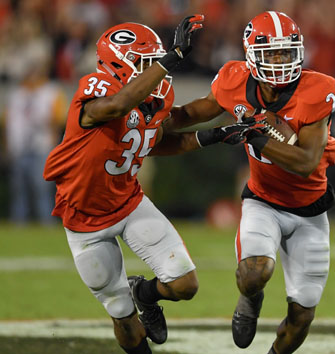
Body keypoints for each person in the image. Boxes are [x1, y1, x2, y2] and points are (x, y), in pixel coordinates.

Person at [43, 16, 255, 354]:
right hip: (84, 218)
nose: (154, 69)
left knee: (185, 284)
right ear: (117, 63)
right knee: (121, 314)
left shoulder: (158, 95)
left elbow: (154, 141)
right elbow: (116, 106)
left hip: (128, 201)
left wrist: (213, 135)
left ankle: (144, 293)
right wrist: (172, 57)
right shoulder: (96, 87)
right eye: (144, 62)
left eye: (153, 61)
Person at [161, 11, 335, 354]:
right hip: (263, 200)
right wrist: (147, 117)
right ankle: (251, 298)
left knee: (302, 315)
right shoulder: (234, 80)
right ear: (251, 55)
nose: (279, 62)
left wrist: (255, 136)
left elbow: (305, 163)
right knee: (253, 273)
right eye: (271, 53)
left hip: (310, 212)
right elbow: (188, 115)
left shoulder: (318, 90)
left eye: (285, 53)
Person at [4, 48, 66, 225]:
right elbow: (8, 123)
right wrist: (8, 146)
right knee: (19, 190)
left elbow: (59, 120)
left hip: (42, 146)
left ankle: (46, 223)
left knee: (41, 189)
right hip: (20, 147)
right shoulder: (17, 94)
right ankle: (19, 224)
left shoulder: (52, 91)